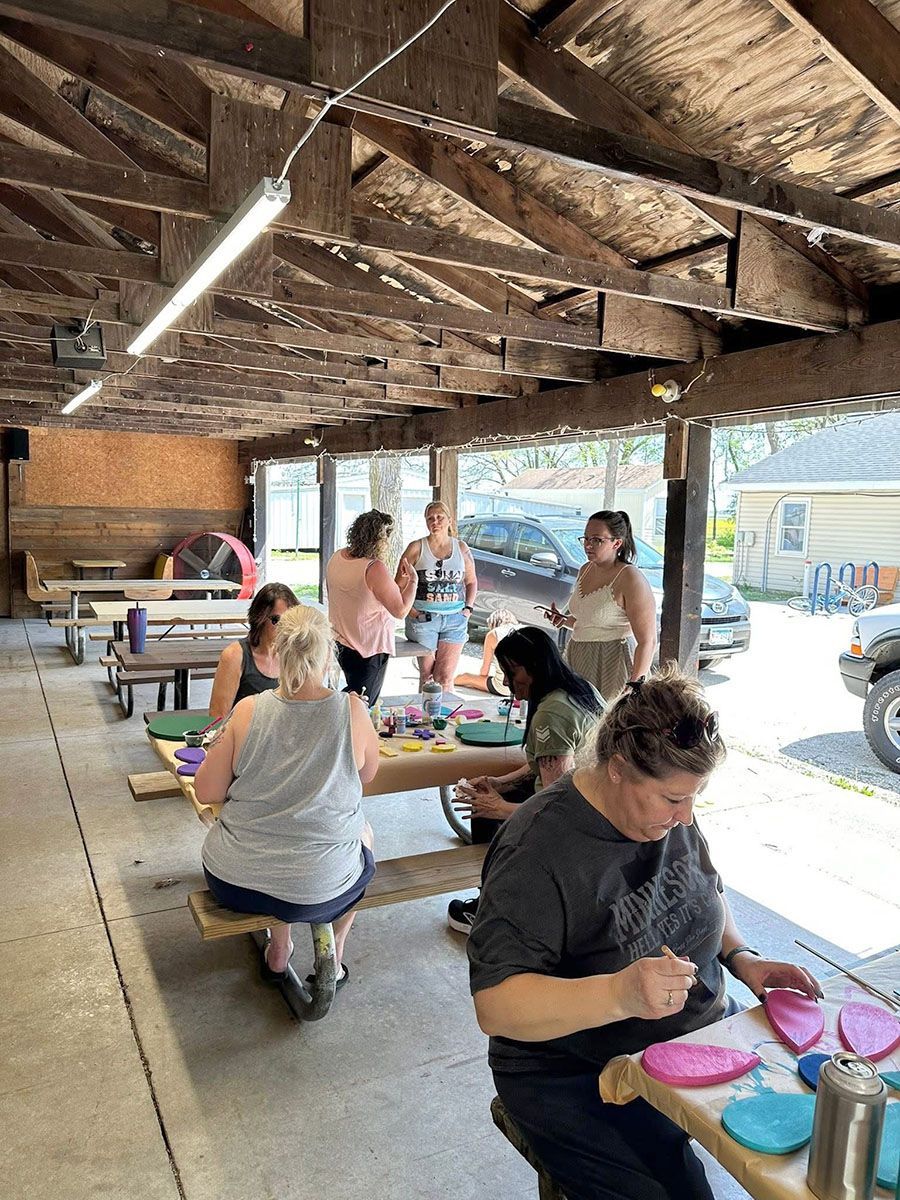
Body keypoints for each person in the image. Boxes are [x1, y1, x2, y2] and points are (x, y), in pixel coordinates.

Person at [467, 667, 822, 1200]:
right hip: (575, 1071)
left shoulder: (664, 812)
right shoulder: (537, 850)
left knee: (825, 1134)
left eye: (694, 797)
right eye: (674, 799)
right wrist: (620, 993)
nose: (686, 816)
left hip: (692, 1038)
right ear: (617, 768)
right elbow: (496, 1006)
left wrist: (740, 955)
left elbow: (704, 887)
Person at [195, 604, 380, 984]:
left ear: (277, 651)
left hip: (235, 879)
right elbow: (367, 774)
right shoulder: (352, 711)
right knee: (364, 834)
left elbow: (206, 789)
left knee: (279, 824)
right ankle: (335, 957)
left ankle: (280, 947)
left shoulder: (249, 710)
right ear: (329, 653)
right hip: (321, 887)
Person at [447, 626, 604, 934]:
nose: (505, 681)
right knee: (486, 798)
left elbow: (557, 806)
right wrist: (499, 783)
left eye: (510, 671)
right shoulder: (578, 689)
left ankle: (496, 912)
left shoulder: (551, 714)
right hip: (591, 799)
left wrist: (499, 807)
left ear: (535, 666)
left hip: (578, 819)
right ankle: (497, 899)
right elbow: (546, 765)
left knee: (486, 813)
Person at [544, 510, 656, 702]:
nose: (588, 545)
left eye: (596, 540)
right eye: (586, 538)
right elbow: (588, 621)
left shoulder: (630, 577)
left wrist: (634, 684)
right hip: (578, 654)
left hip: (613, 660)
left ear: (617, 542)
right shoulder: (585, 569)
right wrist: (564, 621)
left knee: (606, 723)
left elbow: (648, 641)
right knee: (578, 718)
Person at [326, 509, 417, 704]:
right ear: (378, 540)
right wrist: (413, 582)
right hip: (368, 648)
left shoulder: (337, 558)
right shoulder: (374, 568)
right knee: (363, 704)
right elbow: (400, 610)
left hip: (341, 642)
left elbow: (354, 595)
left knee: (350, 697)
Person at [397, 500, 478, 693]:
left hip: (455, 618)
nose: (435, 522)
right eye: (430, 518)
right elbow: (398, 586)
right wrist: (413, 613)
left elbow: (471, 581)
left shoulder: (462, 548)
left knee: (445, 676)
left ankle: (444, 719)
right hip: (424, 619)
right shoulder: (416, 548)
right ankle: (424, 719)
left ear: (450, 521)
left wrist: (468, 608)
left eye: (440, 517)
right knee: (428, 677)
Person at [208, 582, 299, 722]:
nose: (285, 627)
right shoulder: (235, 655)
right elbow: (218, 718)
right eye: (277, 620)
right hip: (244, 737)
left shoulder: (295, 655)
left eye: (290, 620)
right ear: (259, 618)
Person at [453, 608, 519, 696]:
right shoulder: (525, 631)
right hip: (528, 686)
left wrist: (479, 680)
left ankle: (445, 682)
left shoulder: (494, 634)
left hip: (505, 687)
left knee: (465, 677)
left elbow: (485, 670)